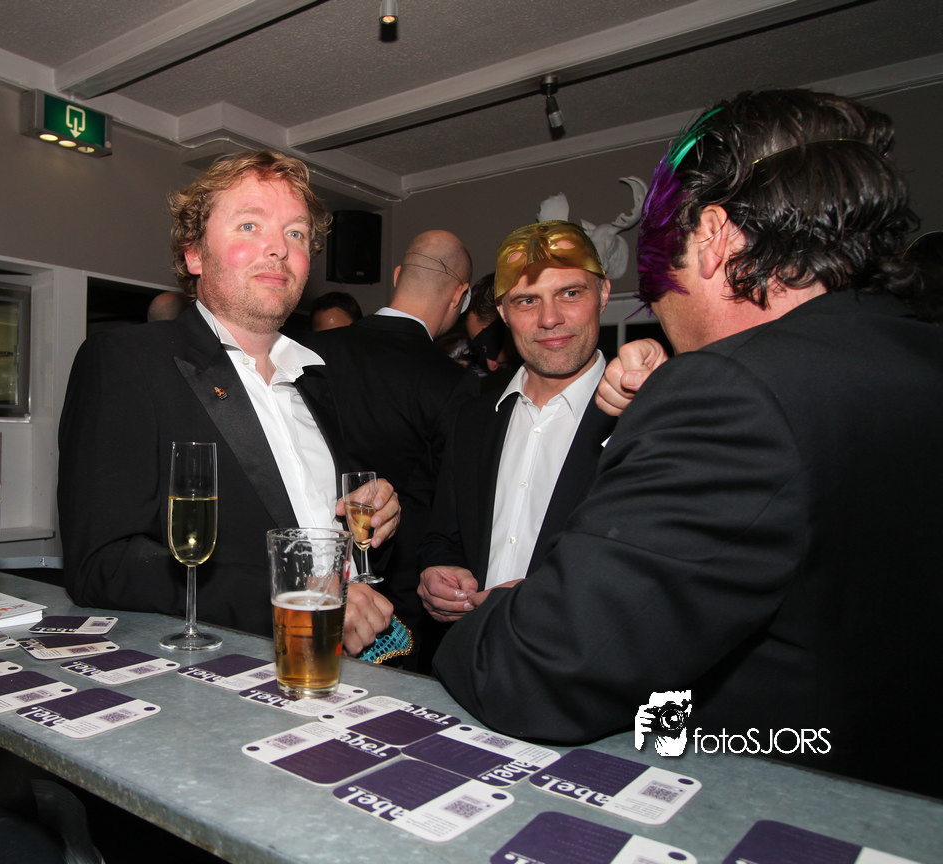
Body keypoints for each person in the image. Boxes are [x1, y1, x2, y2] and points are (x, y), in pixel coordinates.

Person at [432, 89, 943, 797]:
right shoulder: (917, 355)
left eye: (655, 272)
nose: (659, 306)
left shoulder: (725, 391)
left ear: (713, 237)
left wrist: (502, 616)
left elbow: (539, 669)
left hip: (773, 801)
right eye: (525, 301)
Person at [58, 150, 399, 654]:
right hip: (217, 671)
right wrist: (292, 599)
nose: (278, 248)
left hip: (339, 667)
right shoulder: (126, 361)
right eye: (249, 226)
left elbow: (333, 543)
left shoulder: (319, 382)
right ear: (194, 254)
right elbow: (101, 565)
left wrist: (374, 524)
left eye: (296, 233)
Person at [417, 221, 616, 626]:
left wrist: (541, 599)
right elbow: (446, 535)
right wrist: (439, 571)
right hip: (470, 651)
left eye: (570, 293)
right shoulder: (473, 420)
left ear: (603, 294)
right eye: (527, 300)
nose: (550, 319)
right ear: (504, 312)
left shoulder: (645, 420)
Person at [302, 230, 480, 669]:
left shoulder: (307, 351)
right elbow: (453, 504)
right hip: (400, 602)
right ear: (460, 296)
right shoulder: (454, 382)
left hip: (306, 580)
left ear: (398, 275)